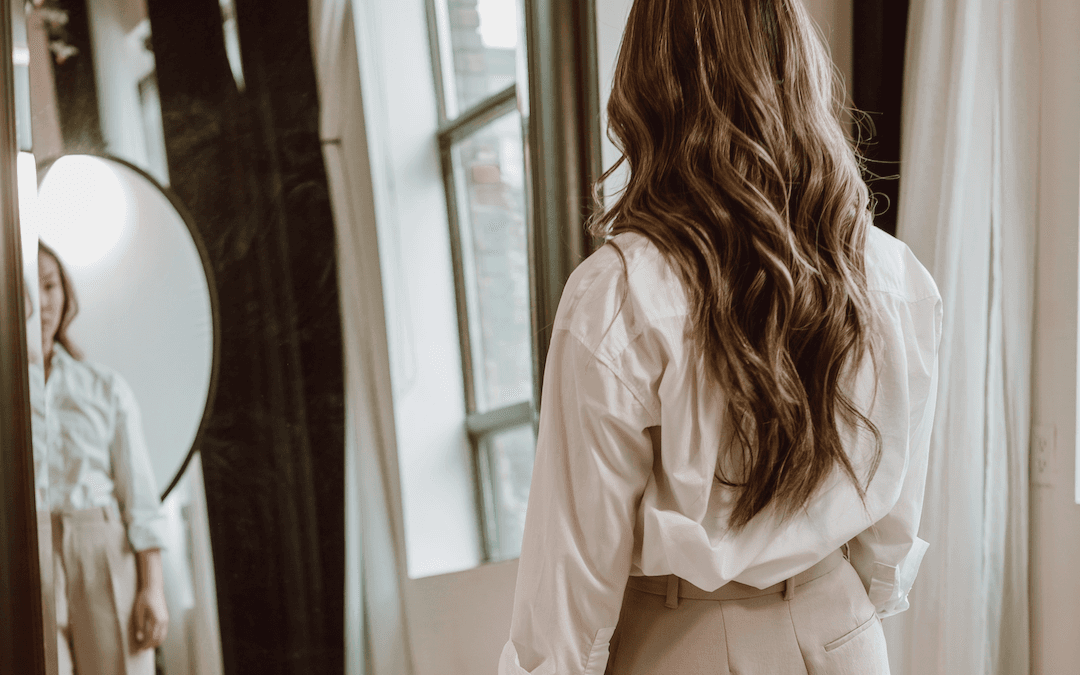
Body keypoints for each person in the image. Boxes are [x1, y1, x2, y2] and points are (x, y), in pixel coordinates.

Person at [499, 1, 941, 673]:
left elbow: (571, 583)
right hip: (844, 630)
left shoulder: (619, 294)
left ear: (648, 86)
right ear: (800, 72)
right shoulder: (891, 273)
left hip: (683, 639)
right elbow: (892, 528)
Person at [38, 241, 169, 675]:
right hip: (28, 554)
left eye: (50, 286)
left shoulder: (104, 387)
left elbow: (140, 498)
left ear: (65, 293)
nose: (41, 302)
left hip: (102, 546)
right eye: (27, 288)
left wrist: (153, 588)